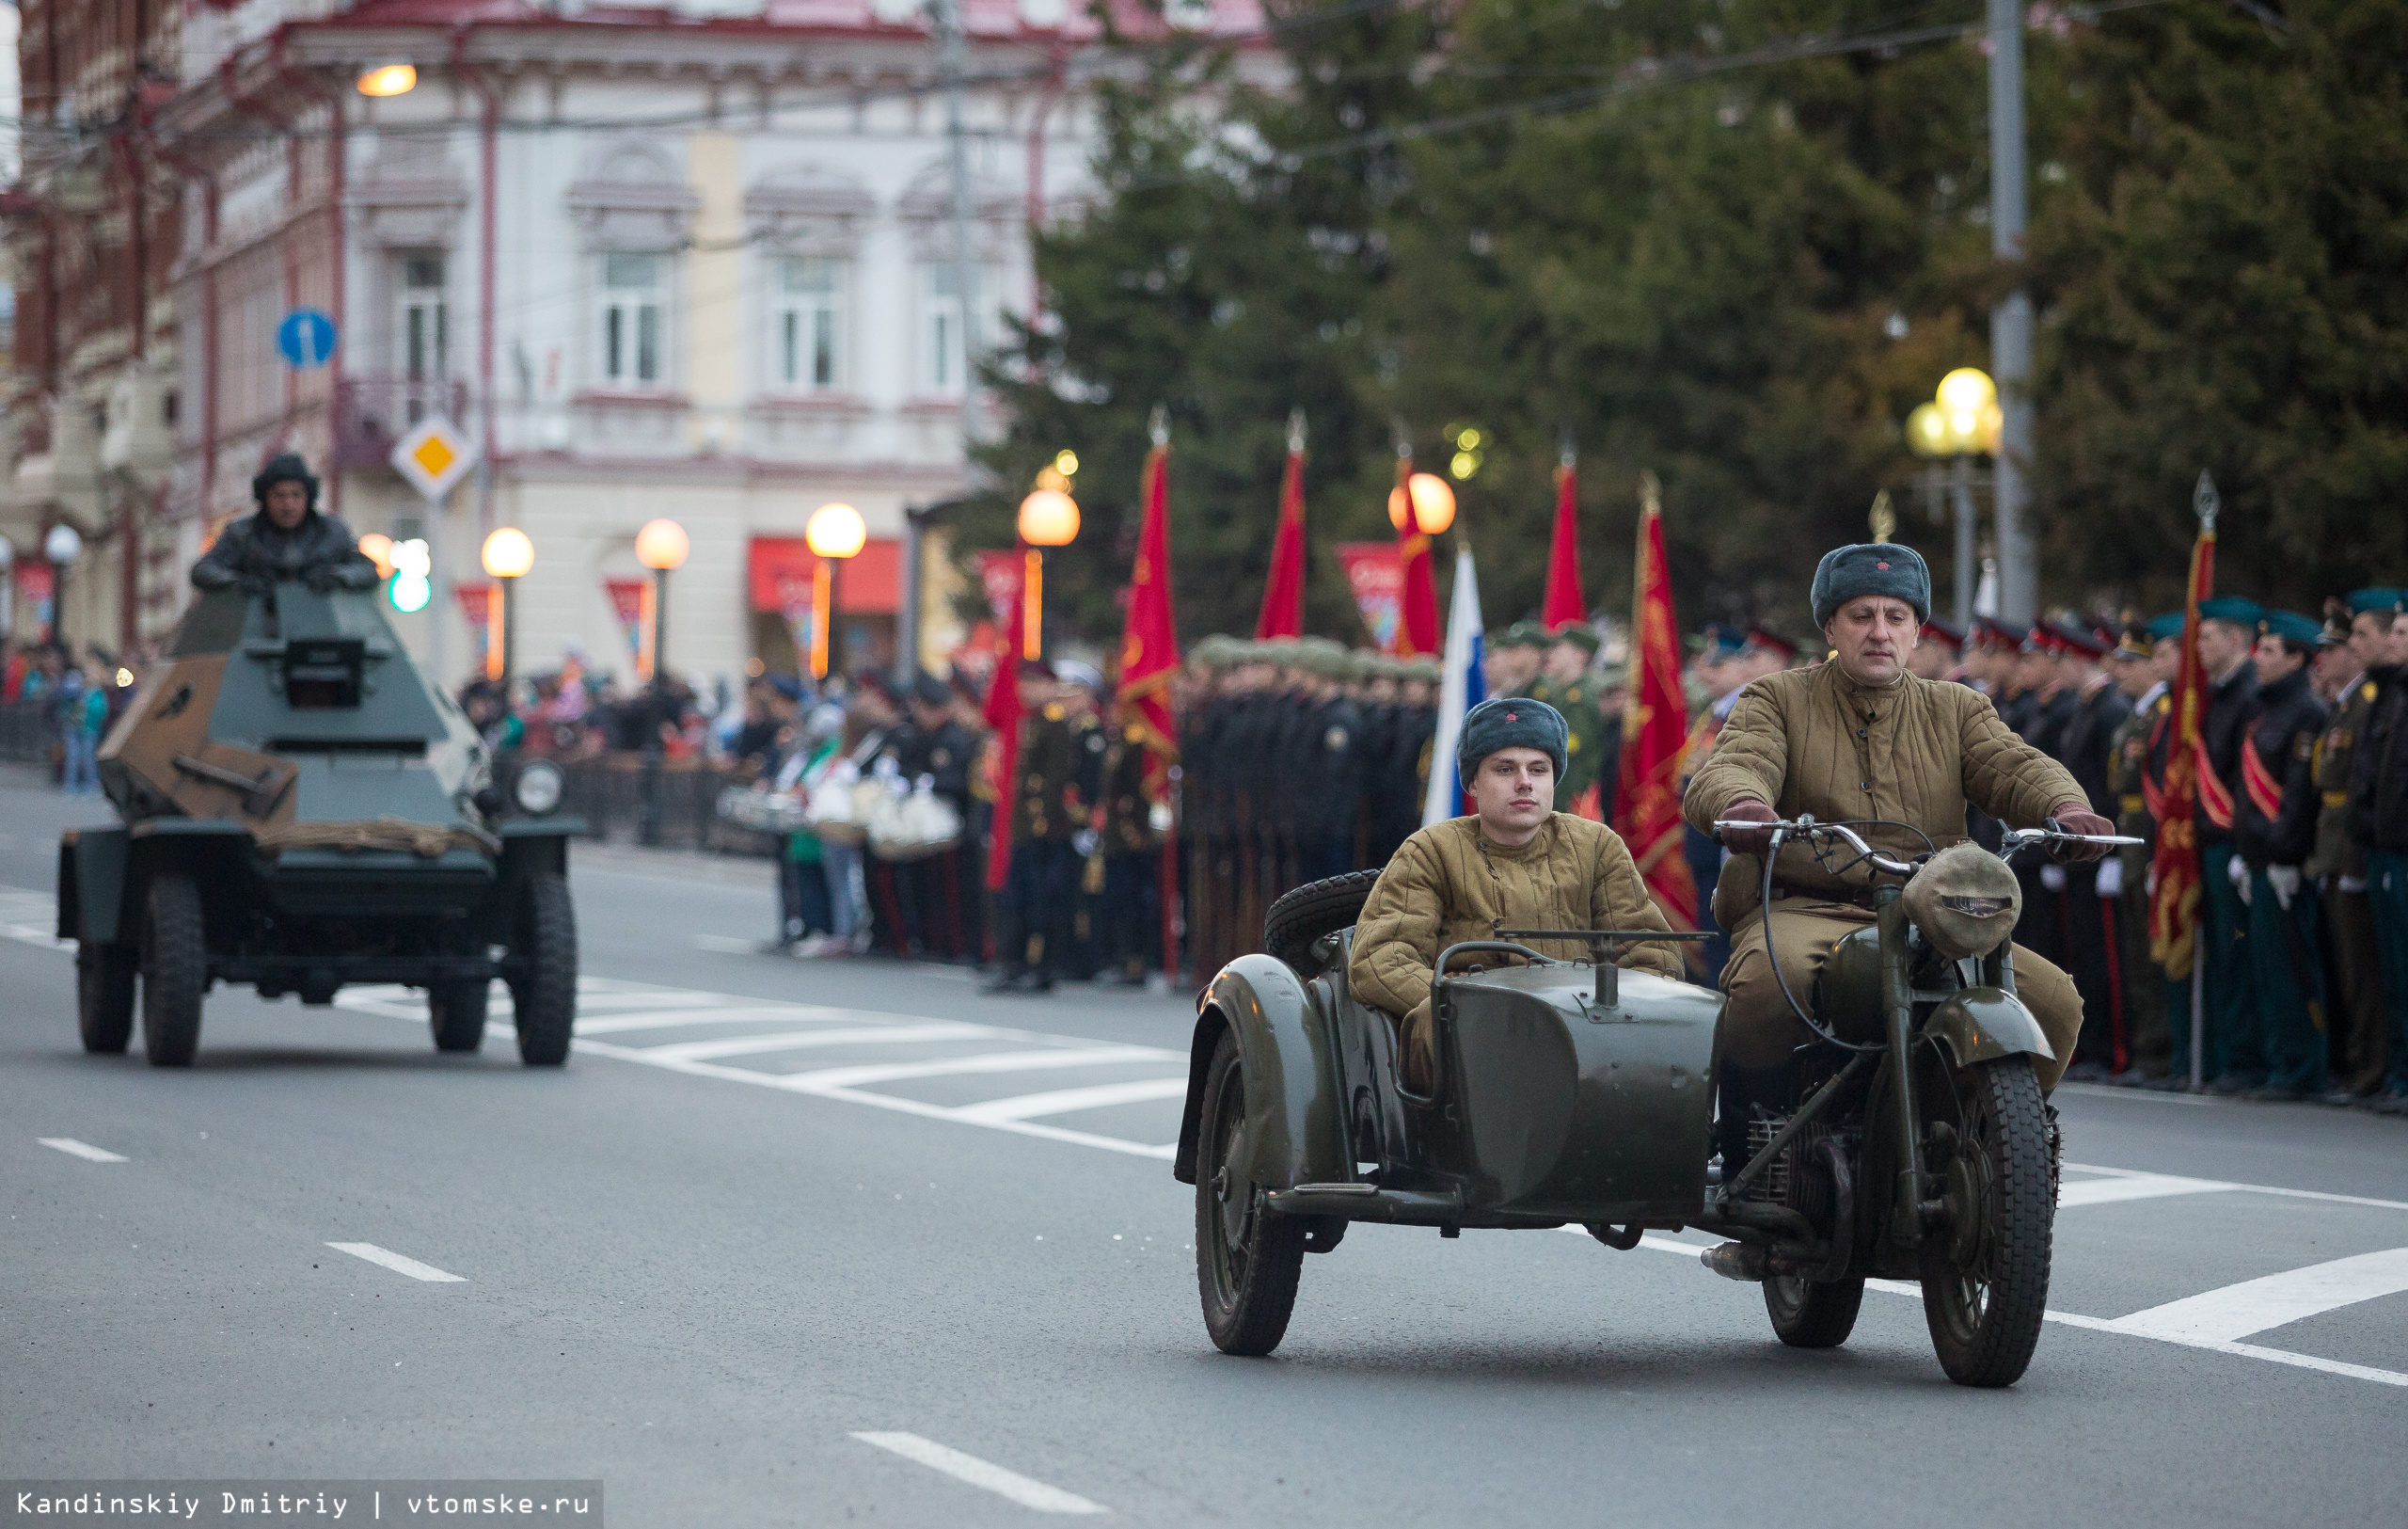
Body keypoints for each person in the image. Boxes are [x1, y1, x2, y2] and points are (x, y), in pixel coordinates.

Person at [1683, 543, 2113, 1153]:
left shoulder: (1957, 707)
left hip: (1934, 915)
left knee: (2056, 1004)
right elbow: (1736, 764)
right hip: (1813, 903)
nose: (1880, 632)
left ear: (1916, 630)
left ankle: (1969, 1139)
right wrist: (1744, 808)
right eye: (1861, 615)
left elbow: (2014, 765)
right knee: (1761, 995)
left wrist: (2065, 810)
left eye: (1896, 616)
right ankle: (1751, 1142)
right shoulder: (1776, 698)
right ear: (1830, 625)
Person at [1349, 696, 1686, 1092]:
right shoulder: (1431, 850)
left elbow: (1653, 955)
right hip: (1470, 1046)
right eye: (1505, 769)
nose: (1524, 781)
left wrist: (1607, 1008)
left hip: (1588, 1040)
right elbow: (1380, 958)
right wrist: (1463, 1004)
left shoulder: (1596, 846)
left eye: (1538, 769)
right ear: (1473, 782)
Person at [2232, 611, 2335, 1098]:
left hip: (2284, 862)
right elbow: (2244, 791)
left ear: (2297, 659)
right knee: (2268, 969)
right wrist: (2245, 852)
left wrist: (2281, 855)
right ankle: (2280, 1063)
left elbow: (2296, 797)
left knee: (2295, 968)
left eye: (2271, 651)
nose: (2259, 659)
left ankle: (2303, 1067)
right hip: (2258, 859)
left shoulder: (2307, 713)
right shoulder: (2263, 711)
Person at [2316, 590, 2400, 1102]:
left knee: (2371, 970)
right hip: (2341, 845)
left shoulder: (2371, 700)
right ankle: (2365, 1068)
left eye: (2344, 645)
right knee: (2354, 971)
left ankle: (2376, 1070)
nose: (2326, 658)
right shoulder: (2352, 704)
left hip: (2361, 845)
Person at [2189, 596, 2266, 1091]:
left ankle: (2246, 1059)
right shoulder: (2219, 695)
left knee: (2241, 956)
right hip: (2211, 842)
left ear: (2237, 640)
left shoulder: (2250, 696)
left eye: (2208, 636)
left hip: (2235, 841)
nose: (2198, 646)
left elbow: (2245, 779)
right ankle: (2224, 1056)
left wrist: (2242, 843)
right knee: (2221, 954)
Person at [2345, 598, 2408, 1113]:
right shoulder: (2391, 695)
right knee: (2391, 969)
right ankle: (2397, 1074)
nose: (2393, 641)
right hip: (2385, 850)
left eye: (2401, 633)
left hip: (2401, 850)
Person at [191, 454, 379, 595]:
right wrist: (238, 582)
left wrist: (337, 577)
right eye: (279, 495)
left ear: (308, 497)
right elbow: (204, 570)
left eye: (296, 495)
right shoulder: (242, 535)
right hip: (257, 627)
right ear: (265, 498)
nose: (288, 505)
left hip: (326, 629)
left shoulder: (332, 533)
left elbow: (367, 570)